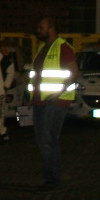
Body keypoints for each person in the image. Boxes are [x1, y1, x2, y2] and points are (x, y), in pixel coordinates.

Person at [28, 15, 77, 189]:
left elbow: (74, 73)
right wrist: (31, 97)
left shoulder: (63, 47)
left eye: (41, 28)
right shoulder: (43, 47)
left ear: (51, 28)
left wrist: (59, 93)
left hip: (55, 101)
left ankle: (53, 179)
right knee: (43, 140)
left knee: (48, 140)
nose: (38, 31)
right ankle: (51, 177)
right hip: (40, 101)